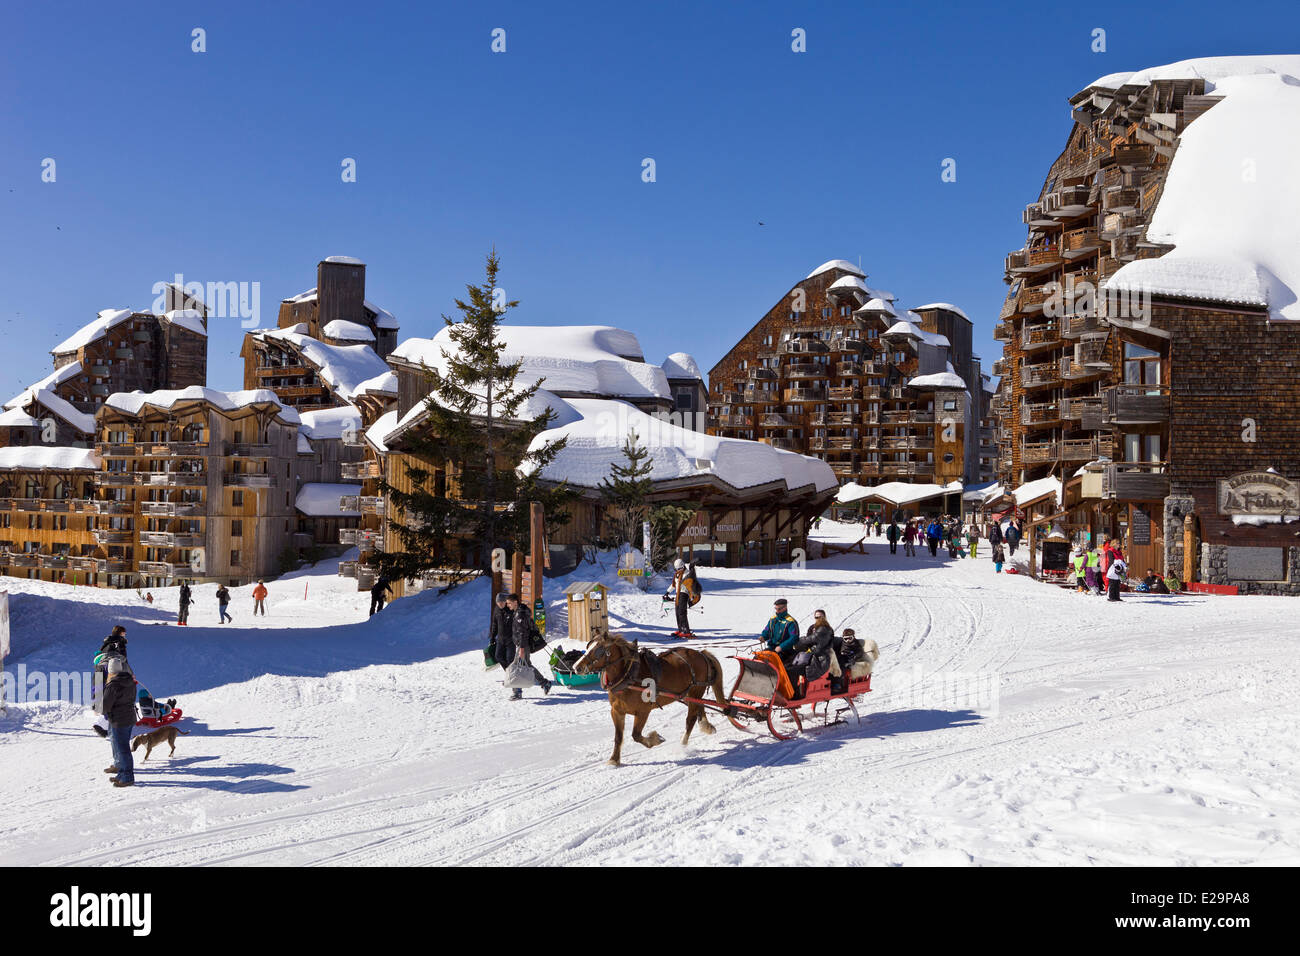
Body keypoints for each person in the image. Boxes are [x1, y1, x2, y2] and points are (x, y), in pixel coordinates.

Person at [504, 593, 551, 699]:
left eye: (509, 603)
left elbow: (523, 633)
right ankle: (544, 683)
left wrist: (521, 648)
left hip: (523, 645)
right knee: (527, 665)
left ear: (515, 602)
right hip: (522, 645)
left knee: (516, 667)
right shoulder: (518, 612)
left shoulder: (520, 614)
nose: (508, 605)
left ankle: (517, 691)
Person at [101, 656, 138, 788]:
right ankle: (122, 774)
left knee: (122, 749)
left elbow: (105, 706)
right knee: (122, 747)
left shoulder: (113, 685)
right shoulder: (130, 681)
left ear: (111, 671)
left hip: (118, 720)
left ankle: (127, 777)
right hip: (129, 718)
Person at [787, 610, 841, 696]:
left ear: (825, 617)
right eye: (816, 617)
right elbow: (808, 640)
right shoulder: (812, 627)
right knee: (788, 666)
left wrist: (800, 641)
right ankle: (789, 690)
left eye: (821, 617)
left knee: (793, 670)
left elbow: (812, 640)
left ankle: (794, 694)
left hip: (820, 658)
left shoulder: (826, 629)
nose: (818, 619)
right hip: (811, 655)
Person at [760, 598, 800, 664]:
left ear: (785, 608)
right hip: (772, 648)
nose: (777, 611)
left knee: (774, 662)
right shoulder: (773, 619)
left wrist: (781, 647)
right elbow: (767, 630)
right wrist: (763, 636)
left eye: (779, 609)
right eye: (776, 609)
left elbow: (794, 638)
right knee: (760, 657)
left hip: (785, 651)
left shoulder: (791, 622)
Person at [670, 558, 697, 639]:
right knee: (677, 612)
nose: (678, 570)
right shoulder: (677, 574)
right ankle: (680, 629)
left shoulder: (687, 574)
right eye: (676, 569)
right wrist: (668, 592)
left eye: (679, 569)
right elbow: (675, 584)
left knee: (682, 612)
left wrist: (692, 596)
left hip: (684, 594)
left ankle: (686, 630)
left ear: (682, 567)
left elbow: (691, 584)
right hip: (678, 594)